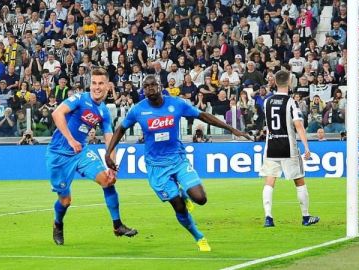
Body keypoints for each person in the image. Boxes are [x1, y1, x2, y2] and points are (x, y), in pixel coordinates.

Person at [104, 75, 252, 252]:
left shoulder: (176, 104)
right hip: (156, 167)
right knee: (179, 206)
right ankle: (199, 237)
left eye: (153, 85)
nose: (150, 88)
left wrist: (232, 129)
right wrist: (108, 153)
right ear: (143, 89)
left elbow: (203, 116)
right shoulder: (138, 110)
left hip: (178, 160)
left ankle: (184, 193)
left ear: (160, 86)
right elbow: (121, 129)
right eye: (146, 86)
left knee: (201, 199)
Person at [46, 68, 137, 245]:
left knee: (108, 180)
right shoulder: (80, 99)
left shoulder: (103, 111)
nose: (97, 87)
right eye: (94, 83)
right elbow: (57, 113)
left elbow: (110, 139)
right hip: (59, 154)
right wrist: (71, 140)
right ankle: (58, 224)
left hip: (81, 152)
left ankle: (117, 225)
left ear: (108, 86)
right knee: (65, 200)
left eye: (101, 83)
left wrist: (113, 166)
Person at [259, 70, 320, 227]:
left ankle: (268, 217)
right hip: (288, 146)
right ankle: (306, 217)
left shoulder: (267, 101)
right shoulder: (291, 102)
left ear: (275, 82)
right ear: (289, 82)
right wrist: (307, 147)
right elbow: (298, 125)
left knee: (269, 181)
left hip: (271, 145)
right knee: (299, 180)